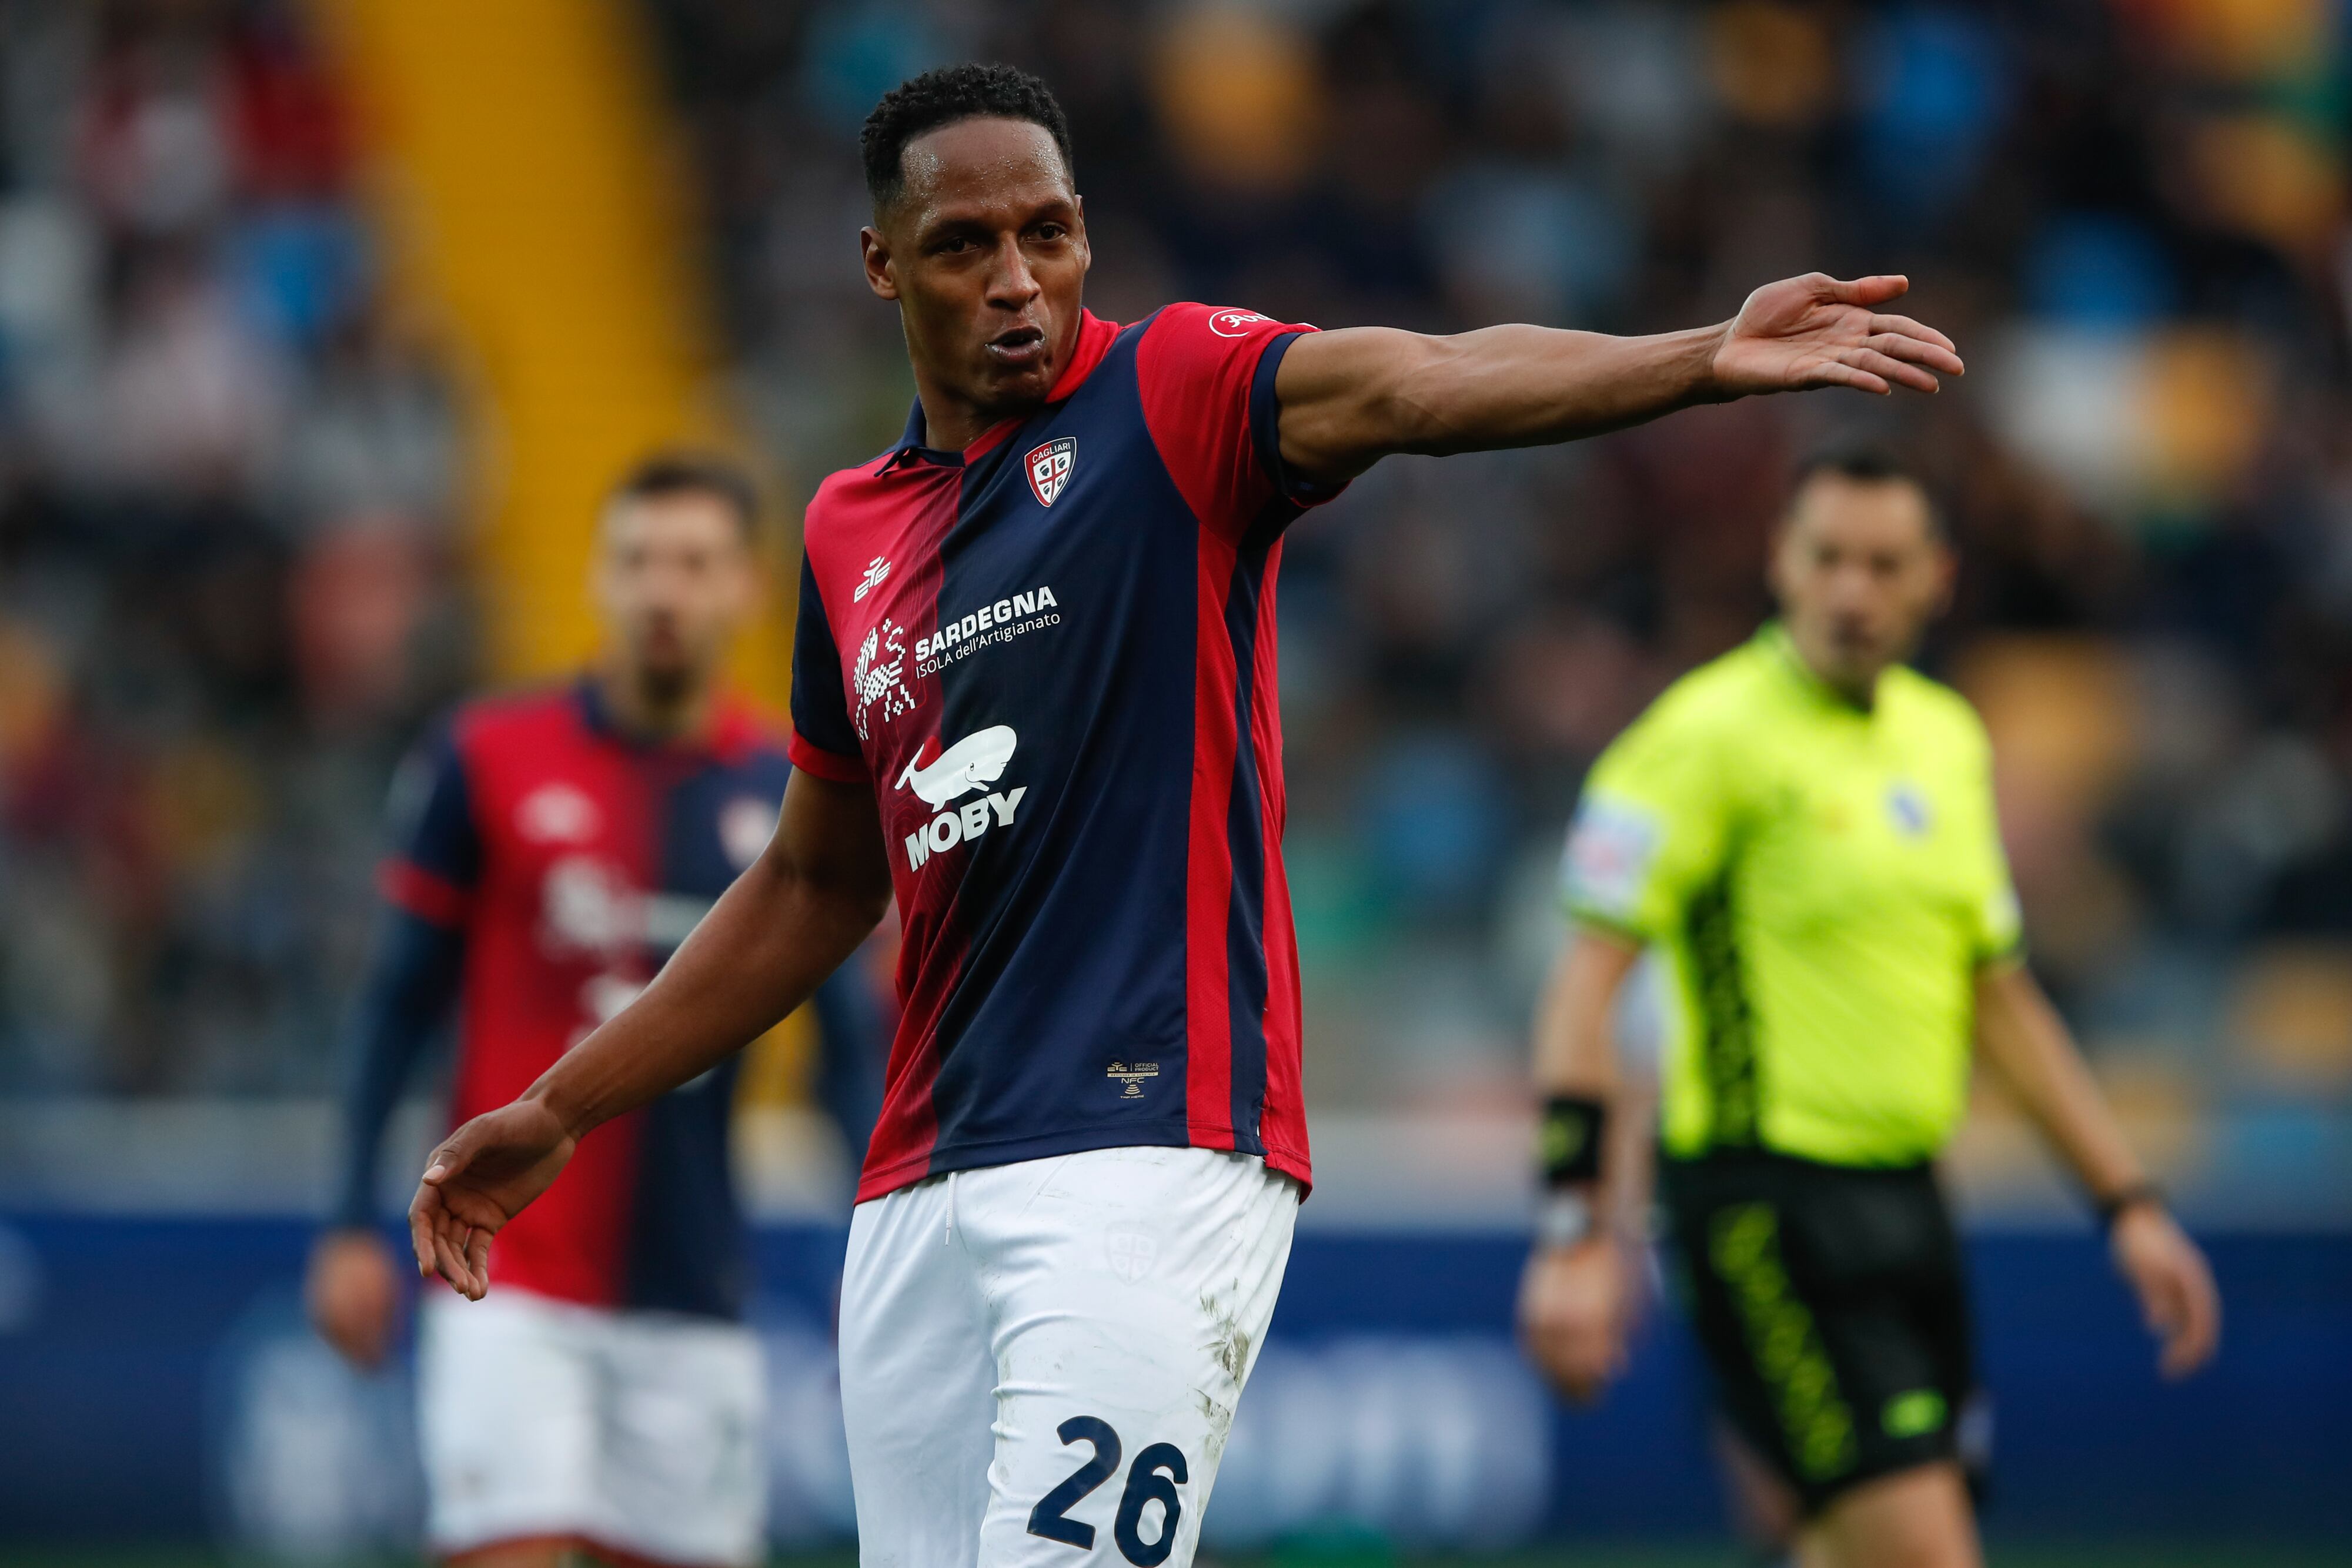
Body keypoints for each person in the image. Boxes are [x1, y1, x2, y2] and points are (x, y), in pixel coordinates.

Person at [404, 63, 1969, 1567]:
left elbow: (1422, 381)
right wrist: (565, 1103)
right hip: (919, 1183)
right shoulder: (844, 532)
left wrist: (1693, 356)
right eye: (966, 245)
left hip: (1151, 1151)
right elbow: (817, 886)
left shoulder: (1176, 392)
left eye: (1050, 233)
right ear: (883, 267)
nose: (1019, 278)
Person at [1516, 446, 2223, 1568]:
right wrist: (1574, 1230)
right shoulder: (1703, 739)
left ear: (1937, 577)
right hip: (1764, 1211)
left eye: (1885, 564)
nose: (1854, 590)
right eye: (1829, 558)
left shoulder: (1945, 740)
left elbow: (2000, 1000)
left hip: (1911, 1208)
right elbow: (1583, 988)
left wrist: (2127, 1202)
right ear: (1779, 564)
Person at [306, 452, 884, 1568]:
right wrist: (344, 1226)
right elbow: (395, 1006)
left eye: (694, 563)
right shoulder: (483, 759)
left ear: (746, 590)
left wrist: (875, 1270)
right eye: (638, 562)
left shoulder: (790, 794)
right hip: (506, 1280)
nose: (662, 590)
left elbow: (847, 1053)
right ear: (598, 579)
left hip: (696, 1295)